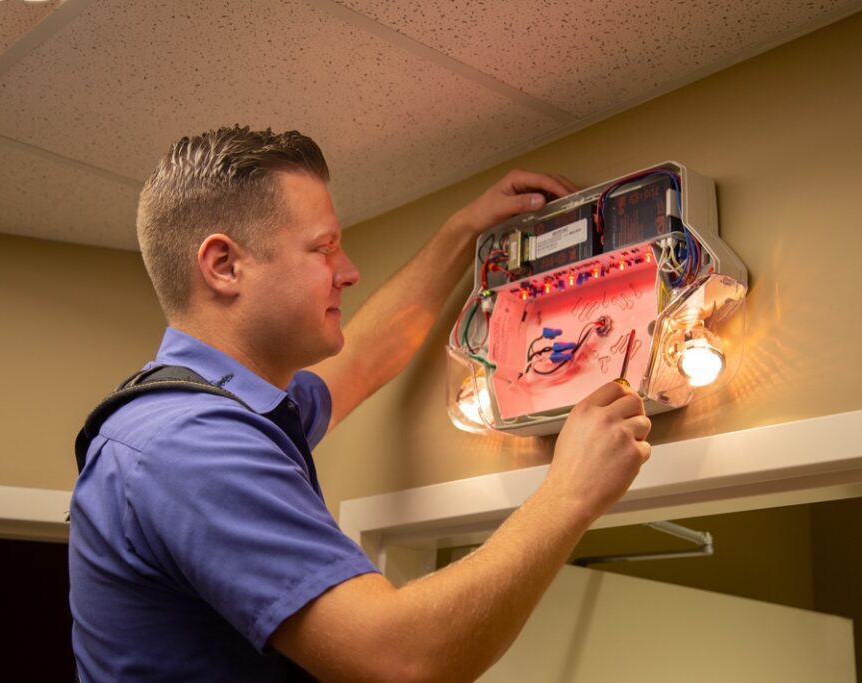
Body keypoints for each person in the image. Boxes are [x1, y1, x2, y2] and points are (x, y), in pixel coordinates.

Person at [69, 126, 651, 682]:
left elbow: (368, 358)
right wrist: (570, 493)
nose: (348, 272)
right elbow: (402, 659)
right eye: (323, 249)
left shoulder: (215, 412)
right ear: (225, 266)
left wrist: (463, 231)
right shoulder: (192, 442)